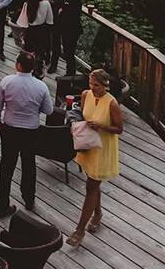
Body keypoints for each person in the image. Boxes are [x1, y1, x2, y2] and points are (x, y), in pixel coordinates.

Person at [0, 51, 53, 217]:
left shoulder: (7, 82)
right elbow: (48, 110)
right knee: (29, 164)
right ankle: (29, 199)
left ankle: (3, 205)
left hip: (9, 128)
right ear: (32, 68)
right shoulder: (41, 87)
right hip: (31, 130)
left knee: (6, 166)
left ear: (18, 65)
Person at [67, 69, 123, 247]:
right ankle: (97, 214)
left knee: (91, 186)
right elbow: (82, 114)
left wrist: (101, 125)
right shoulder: (86, 94)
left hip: (103, 148)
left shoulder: (112, 103)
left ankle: (79, 230)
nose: (92, 88)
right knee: (93, 182)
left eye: (96, 85)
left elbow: (119, 129)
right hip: (88, 145)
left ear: (105, 85)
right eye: (90, 84)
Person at [16, 0, 54, 77]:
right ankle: (38, 73)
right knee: (40, 54)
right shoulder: (46, 3)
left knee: (28, 54)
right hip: (42, 31)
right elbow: (50, 20)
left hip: (30, 32)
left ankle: (26, 71)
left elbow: (22, 22)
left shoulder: (27, 4)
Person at [52, 0, 83, 75]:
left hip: (71, 30)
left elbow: (72, 14)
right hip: (65, 27)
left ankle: (70, 74)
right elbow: (63, 3)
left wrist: (62, 9)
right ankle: (69, 73)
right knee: (67, 52)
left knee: (69, 53)